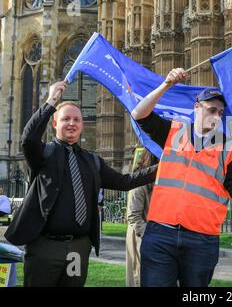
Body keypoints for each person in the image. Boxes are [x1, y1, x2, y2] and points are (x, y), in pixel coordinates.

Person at [131, 68, 232, 287]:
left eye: (220, 113)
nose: (217, 116)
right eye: (211, 110)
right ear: (196, 107)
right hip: (161, 234)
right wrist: (166, 85)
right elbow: (139, 114)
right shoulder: (173, 132)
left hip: (201, 241)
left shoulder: (229, 149)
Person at [5, 81, 158, 287]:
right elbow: (28, 139)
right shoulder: (44, 154)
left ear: (82, 125)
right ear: (55, 124)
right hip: (46, 247)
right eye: (65, 119)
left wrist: (163, 166)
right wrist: (51, 101)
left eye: (76, 119)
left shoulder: (92, 161)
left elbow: (125, 182)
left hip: (78, 247)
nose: (71, 123)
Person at [126, 149, 157, 287]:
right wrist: (150, 236)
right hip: (141, 236)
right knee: (139, 276)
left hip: (155, 236)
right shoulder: (140, 180)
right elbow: (133, 215)